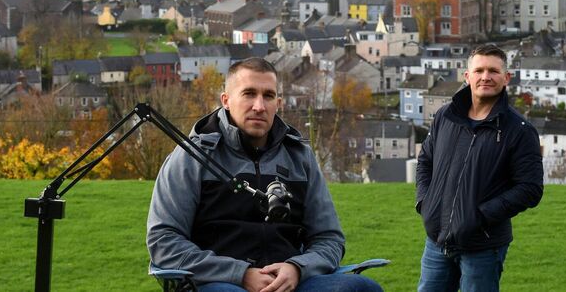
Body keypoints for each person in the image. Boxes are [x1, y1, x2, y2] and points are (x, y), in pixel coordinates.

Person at [147, 57, 382, 292]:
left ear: (278, 103)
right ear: (226, 101)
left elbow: (329, 238)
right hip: (218, 281)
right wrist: (239, 274)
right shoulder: (191, 156)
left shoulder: (300, 156)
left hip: (292, 282)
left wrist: (297, 268)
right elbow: (163, 241)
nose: (259, 106)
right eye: (249, 94)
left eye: (268, 96)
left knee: (363, 288)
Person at [415, 44, 544, 292]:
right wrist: (425, 202)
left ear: (506, 78)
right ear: (467, 76)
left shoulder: (519, 130)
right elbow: (426, 162)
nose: (486, 77)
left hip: (483, 245)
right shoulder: (445, 116)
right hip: (437, 240)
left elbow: (530, 189)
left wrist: (481, 216)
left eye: (494, 71)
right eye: (479, 70)